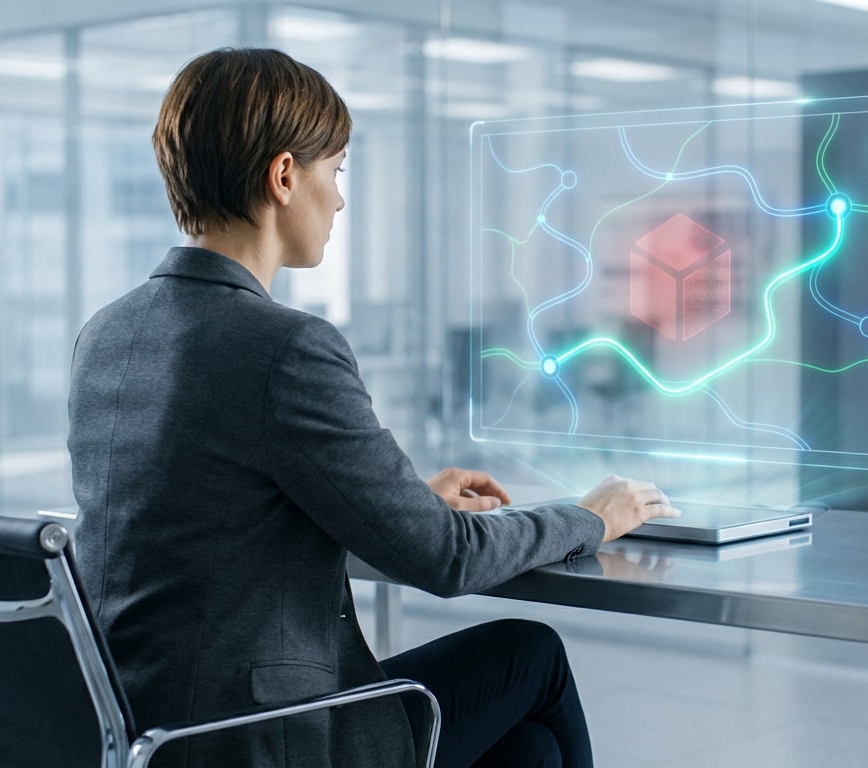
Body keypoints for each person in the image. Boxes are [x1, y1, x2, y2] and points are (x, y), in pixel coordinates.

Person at [67, 47, 680, 767]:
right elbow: (445, 558)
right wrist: (590, 517)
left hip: (137, 725)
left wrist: (396, 500)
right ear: (285, 176)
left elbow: (205, 516)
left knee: (529, 751)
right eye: (337, 171)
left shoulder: (107, 333)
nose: (341, 199)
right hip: (258, 738)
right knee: (530, 654)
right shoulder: (285, 347)